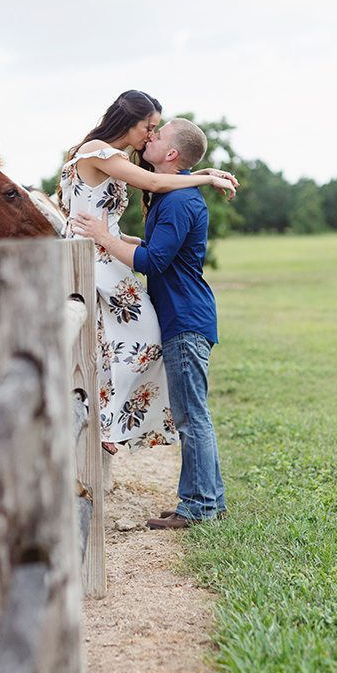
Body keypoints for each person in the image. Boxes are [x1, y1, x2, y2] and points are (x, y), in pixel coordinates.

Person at [73, 116, 236, 527]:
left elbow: (155, 261)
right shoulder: (172, 197)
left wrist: (105, 238)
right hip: (184, 313)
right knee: (194, 414)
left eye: (158, 134)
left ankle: (198, 506)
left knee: (191, 416)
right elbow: (160, 249)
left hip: (184, 317)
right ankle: (208, 501)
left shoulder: (179, 200)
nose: (151, 136)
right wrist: (126, 240)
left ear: (171, 154)